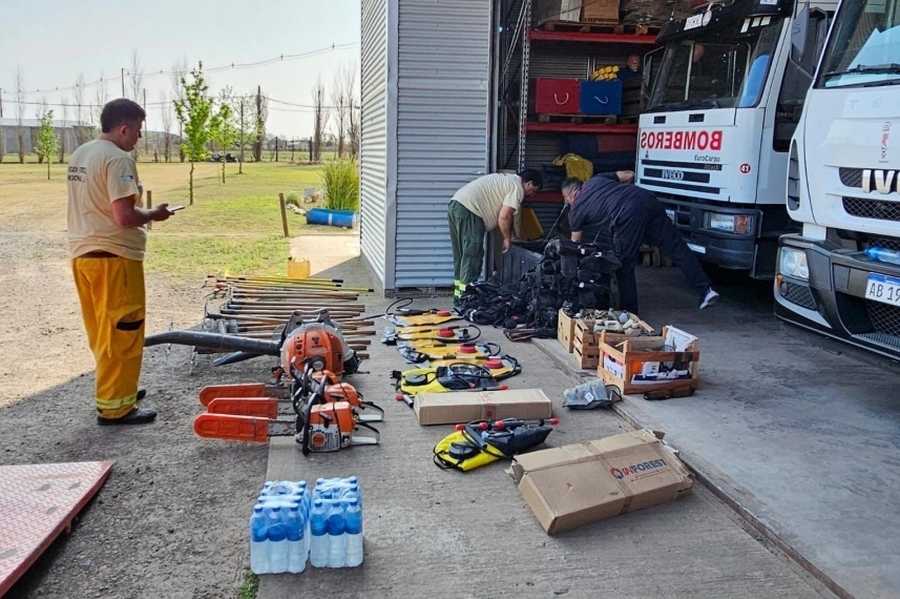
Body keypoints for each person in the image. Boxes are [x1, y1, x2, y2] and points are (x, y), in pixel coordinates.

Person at [67, 98, 174, 425]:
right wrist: (155, 214)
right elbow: (125, 216)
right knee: (123, 331)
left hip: (83, 255)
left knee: (103, 331)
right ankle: (115, 407)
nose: (139, 138)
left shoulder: (82, 154)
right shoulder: (118, 159)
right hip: (114, 259)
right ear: (124, 128)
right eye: (138, 131)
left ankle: (119, 388)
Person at [561, 172, 719, 314]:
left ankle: (629, 313)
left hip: (627, 214)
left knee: (623, 264)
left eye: (567, 200)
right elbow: (629, 175)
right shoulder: (596, 180)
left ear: (569, 196)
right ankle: (706, 290)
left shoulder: (576, 209)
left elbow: (575, 242)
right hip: (646, 199)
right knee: (677, 249)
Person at [447, 170, 543, 300]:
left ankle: (458, 296)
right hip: (471, 211)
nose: (532, 195)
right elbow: (504, 217)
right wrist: (507, 239)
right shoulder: (517, 188)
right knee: (472, 256)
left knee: (461, 255)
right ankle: (466, 299)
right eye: (534, 190)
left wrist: (512, 235)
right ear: (529, 183)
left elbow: (506, 219)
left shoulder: (508, 181)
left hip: (456, 206)